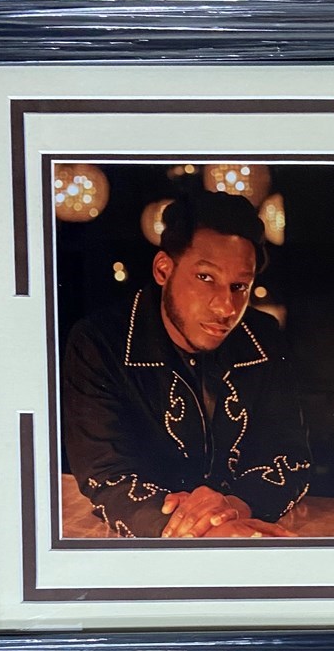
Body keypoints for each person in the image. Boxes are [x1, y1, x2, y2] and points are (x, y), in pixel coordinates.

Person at [62, 191, 312, 538]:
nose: (226, 307)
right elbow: (106, 474)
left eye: (239, 286)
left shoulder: (262, 336)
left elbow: (290, 459)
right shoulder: (100, 341)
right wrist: (201, 531)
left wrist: (232, 508)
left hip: (240, 526)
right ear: (163, 269)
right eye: (206, 278)